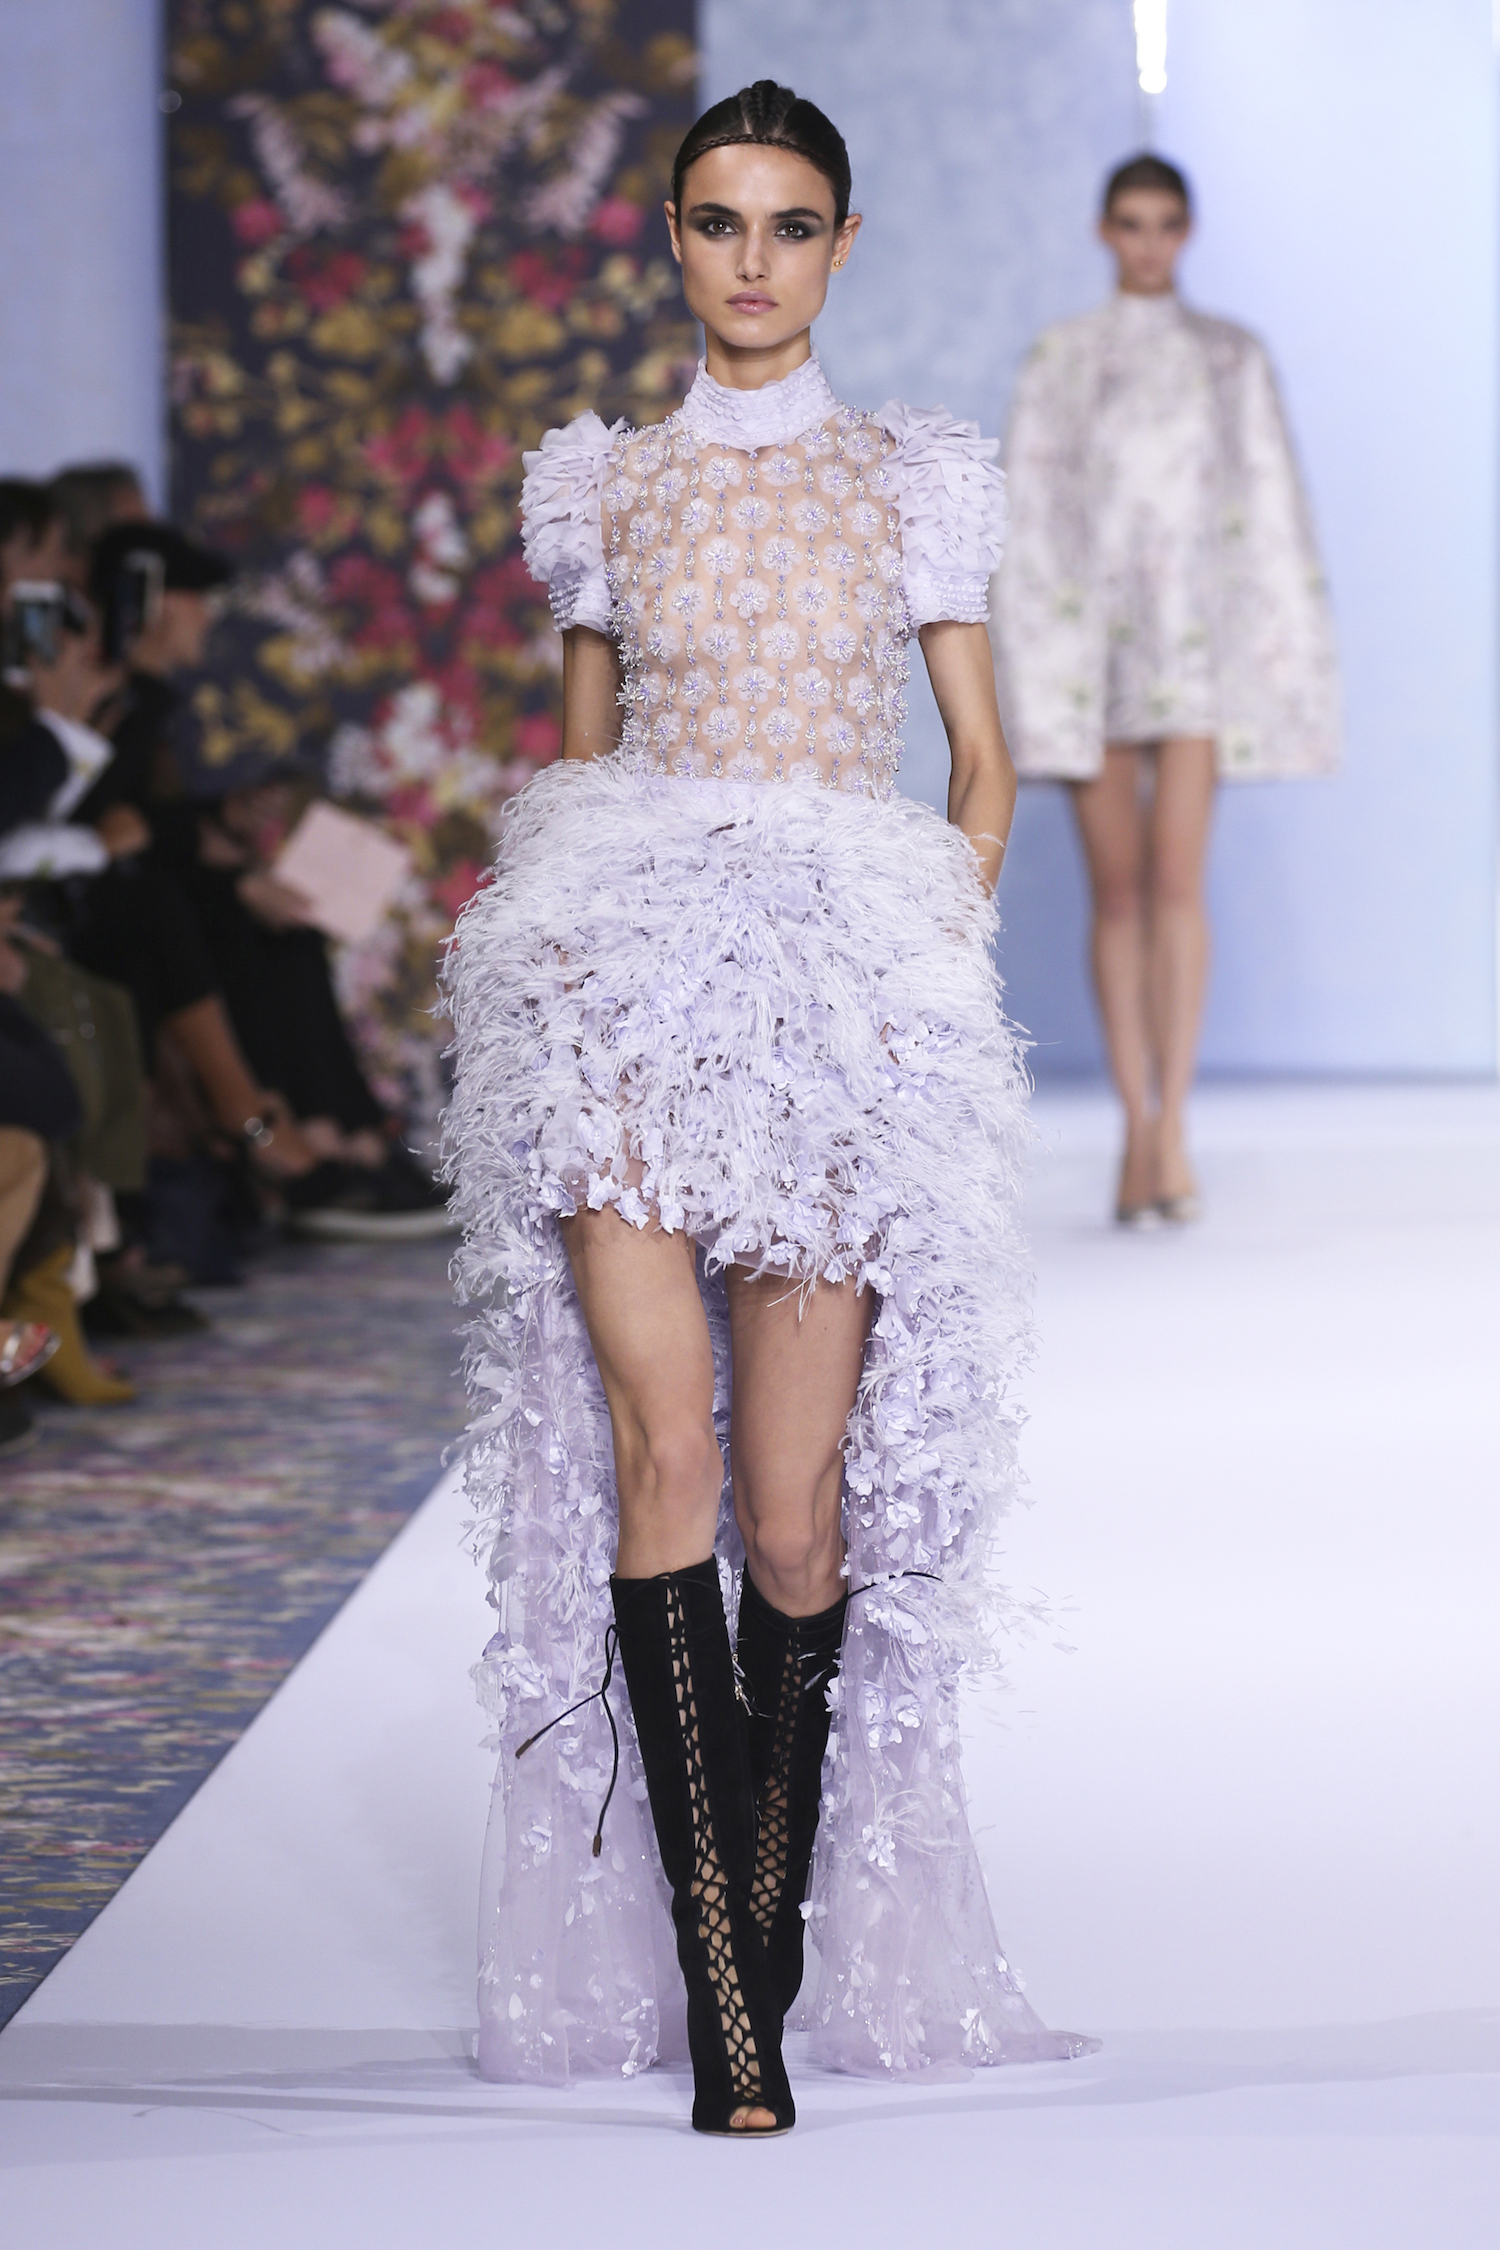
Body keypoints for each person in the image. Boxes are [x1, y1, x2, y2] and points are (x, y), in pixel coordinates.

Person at [444, 81, 1093, 2138]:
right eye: (718, 221)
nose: (750, 259)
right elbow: (578, 765)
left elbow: (981, 764)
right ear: (669, 235)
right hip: (624, 986)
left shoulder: (916, 478)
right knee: (668, 1457)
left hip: (837, 1000)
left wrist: (922, 959)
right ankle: (735, 2003)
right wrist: (551, 956)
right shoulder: (600, 486)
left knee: (796, 1515)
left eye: (789, 226)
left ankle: (771, 1919)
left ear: (841, 243)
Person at [990, 154, 1339, 1224]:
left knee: (1176, 884)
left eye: (1166, 224)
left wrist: (1282, 660)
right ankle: (1139, 1123)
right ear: (1105, 230)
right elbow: (1031, 514)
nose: (1149, 242)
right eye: (1132, 223)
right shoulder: (1064, 358)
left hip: (1195, 652)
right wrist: (1037, 662)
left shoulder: (1232, 358)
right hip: (1095, 648)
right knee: (1122, 892)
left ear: (1186, 232)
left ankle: (1166, 1126)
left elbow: (1271, 512)